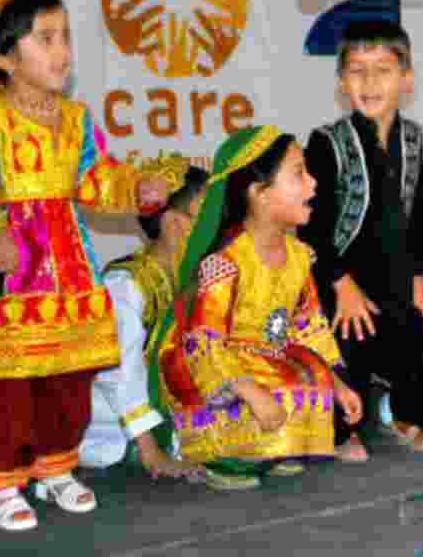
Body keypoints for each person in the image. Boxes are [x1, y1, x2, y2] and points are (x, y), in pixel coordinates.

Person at [0, 0, 168, 531]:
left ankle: (55, 467)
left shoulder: (78, 120)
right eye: (45, 39)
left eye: (65, 38)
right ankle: (3, 481)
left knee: (66, 376)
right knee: (6, 382)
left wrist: (138, 188)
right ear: (4, 57)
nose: (62, 52)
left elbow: (98, 176)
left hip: (68, 263)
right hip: (8, 271)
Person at [153, 126, 363, 491]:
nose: (314, 184)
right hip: (211, 362)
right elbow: (203, 342)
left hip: (265, 357)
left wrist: (338, 383)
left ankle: (271, 450)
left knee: (309, 373)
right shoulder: (225, 262)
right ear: (260, 194)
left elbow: (308, 328)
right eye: (299, 174)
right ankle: (225, 459)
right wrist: (247, 389)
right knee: (266, 380)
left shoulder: (299, 256)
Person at [297, 19, 423, 459]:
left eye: (383, 69)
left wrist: (421, 283)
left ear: (406, 79)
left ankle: (409, 413)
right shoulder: (326, 144)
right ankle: (340, 428)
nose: (370, 81)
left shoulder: (421, 145)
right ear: (341, 82)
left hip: (400, 278)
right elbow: (312, 227)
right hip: (339, 281)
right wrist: (340, 284)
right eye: (357, 70)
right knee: (344, 336)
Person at [79, 154, 209, 477]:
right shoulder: (125, 285)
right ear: (175, 224)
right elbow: (120, 373)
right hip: (113, 427)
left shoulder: (198, 276)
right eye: (206, 217)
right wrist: (152, 453)